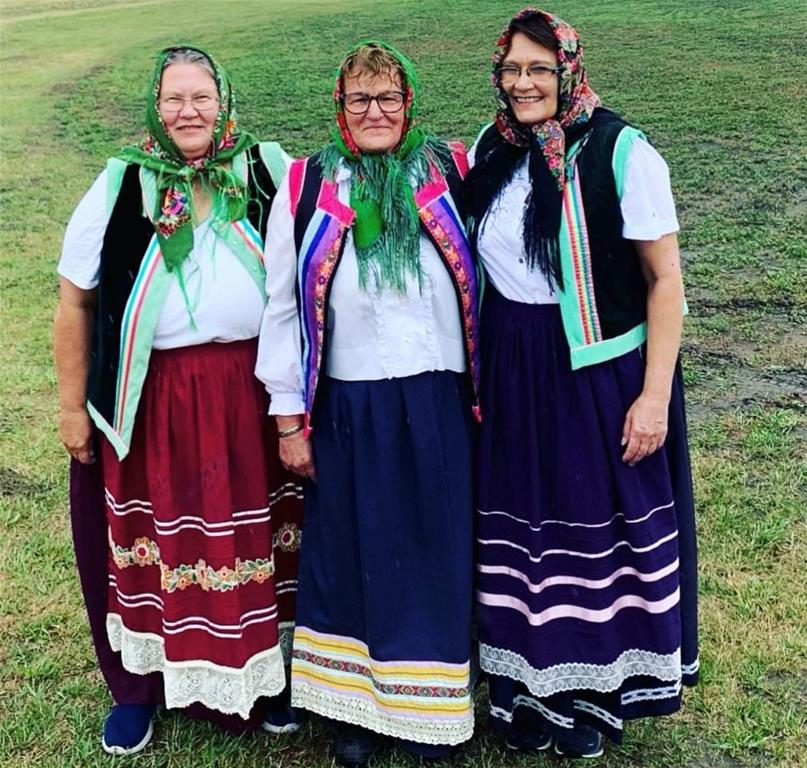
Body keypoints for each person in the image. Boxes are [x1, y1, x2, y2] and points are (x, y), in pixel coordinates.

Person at [53, 45, 303, 755]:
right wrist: (74, 407)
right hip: (152, 398)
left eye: (201, 97)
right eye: (174, 99)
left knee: (259, 540)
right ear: (154, 107)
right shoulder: (118, 185)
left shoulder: (266, 171)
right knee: (158, 545)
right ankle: (138, 687)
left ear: (223, 102)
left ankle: (268, 677)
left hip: (251, 395)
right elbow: (74, 301)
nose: (188, 112)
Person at [467, 8, 699, 759]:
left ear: (568, 69)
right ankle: (522, 690)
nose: (525, 83)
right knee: (520, 526)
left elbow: (664, 282)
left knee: (594, 533)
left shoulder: (622, 151)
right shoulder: (491, 148)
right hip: (509, 366)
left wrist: (653, 395)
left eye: (540, 68)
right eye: (512, 69)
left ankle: (595, 695)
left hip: (594, 373)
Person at [256, 40, 480, 767]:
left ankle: (430, 708)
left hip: (438, 396)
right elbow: (281, 310)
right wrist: (290, 418)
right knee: (352, 550)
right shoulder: (307, 181)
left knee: (432, 548)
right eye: (360, 99)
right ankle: (355, 710)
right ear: (340, 106)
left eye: (388, 98)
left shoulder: (449, 169)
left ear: (408, 103)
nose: (375, 111)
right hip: (347, 402)